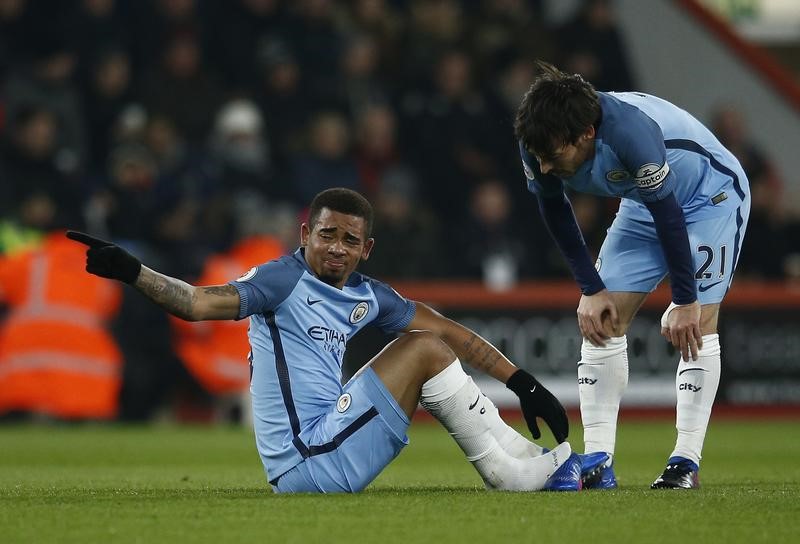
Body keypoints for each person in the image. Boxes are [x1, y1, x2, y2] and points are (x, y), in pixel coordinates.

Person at [67, 188, 605, 493]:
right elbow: (197, 303)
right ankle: (511, 476)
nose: (337, 249)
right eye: (326, 235)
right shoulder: (280, 280)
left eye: (350, 240)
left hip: (328, 438)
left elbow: (447, 327)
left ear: (366, 249)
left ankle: (532, 459)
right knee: (423, 350)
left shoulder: (368, 295)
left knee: (429, 341)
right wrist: (133, 272)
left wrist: (522, 382)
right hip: (304, 461)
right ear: (306, 235)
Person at [514, 62, 750, 489]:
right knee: (601, 322)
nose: (545, 168)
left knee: (698, 324)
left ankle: (685, 462)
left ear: (586, 133)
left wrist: (685, 299)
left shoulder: (630, 134)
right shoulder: (537, 139)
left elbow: (671, 215)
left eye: (554, 157)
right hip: (645, 202)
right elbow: (554, 210)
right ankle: (600, 459)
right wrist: (591, 289)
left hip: (709, 196)